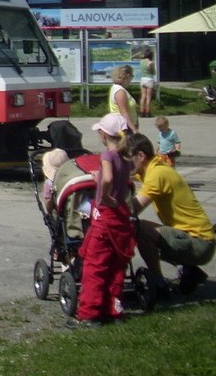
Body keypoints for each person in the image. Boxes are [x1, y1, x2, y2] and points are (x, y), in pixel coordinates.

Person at [130, 133, 216, 296]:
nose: (124, 163)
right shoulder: (151, 168)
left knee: (138, 228)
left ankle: (159, 282)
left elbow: (132, 209)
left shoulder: (157, 175)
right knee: (145, 230)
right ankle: (189, 271)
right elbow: (121, 173)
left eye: (127, 158)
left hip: (199, 242)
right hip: (198, 238)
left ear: (140, 156)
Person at [70, 113, 134, 328]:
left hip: (106, 216)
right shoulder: (126, 157)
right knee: (116, 267)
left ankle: (89, 314)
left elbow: (107, 178)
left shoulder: (107, 155)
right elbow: (123, 178)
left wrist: (103, 191)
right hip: (121, 216)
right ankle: (113, 309)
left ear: (103, 134)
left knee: (95, 266)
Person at [107, 65, 138, 132]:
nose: (132, 79)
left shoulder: (117, 88)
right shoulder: (120, 91)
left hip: (125, 125)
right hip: (124, 126)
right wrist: (134, 129)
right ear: (127, 75)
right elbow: (123, 112)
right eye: (132, 76)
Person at [139, 50, 156, 118]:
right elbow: (153, 72)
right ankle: (148, 112)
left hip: (143, 79)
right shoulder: (151, 63)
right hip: (149, 79)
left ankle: (141, 112)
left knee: (143, 96)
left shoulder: (141, 62)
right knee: (148, 97)